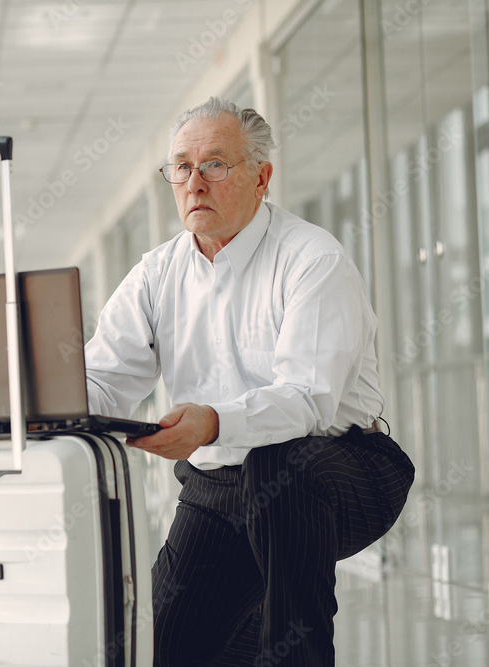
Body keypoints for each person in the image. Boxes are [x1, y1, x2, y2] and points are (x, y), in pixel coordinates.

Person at [84, 97, 415, 666]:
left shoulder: (312, 258)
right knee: (159, 649)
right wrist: (30, 410)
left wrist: (212, 422)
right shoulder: (156, 274)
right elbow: (104, 380)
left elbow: (307, 400)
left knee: (276, 467)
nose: (195, 182)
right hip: (218, 489)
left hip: (343, 467)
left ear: (261, 177)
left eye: (215, 164)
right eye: (182, 167)